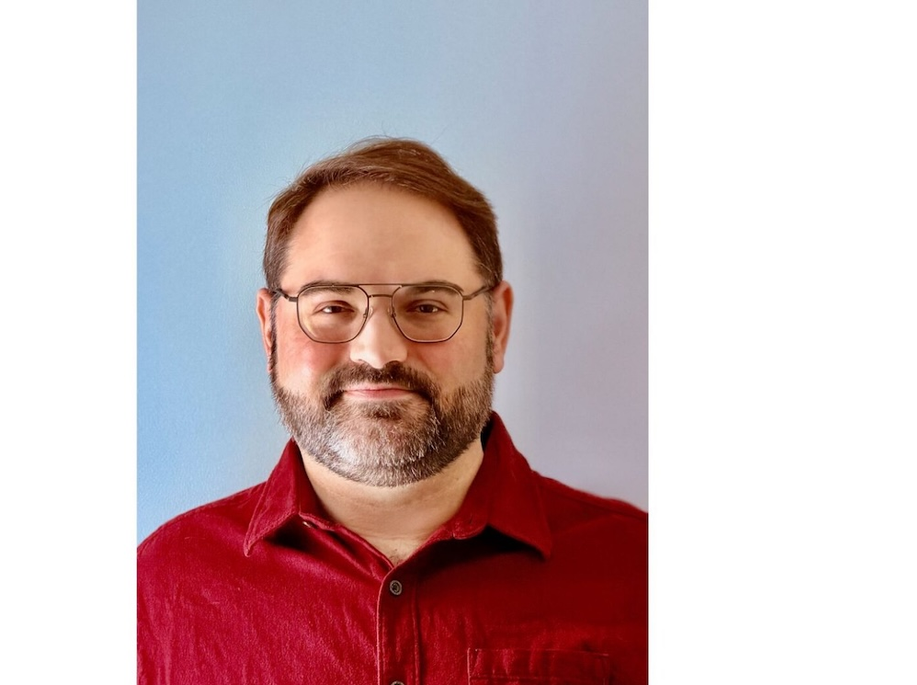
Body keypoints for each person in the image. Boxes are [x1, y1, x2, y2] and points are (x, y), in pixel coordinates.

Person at [137, 138, 647, 684]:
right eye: (332, 307)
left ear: (495, 327)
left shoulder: (639, 573)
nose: (378, 353)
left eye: (427, 307)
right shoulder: (160, 588)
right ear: (269, 328)